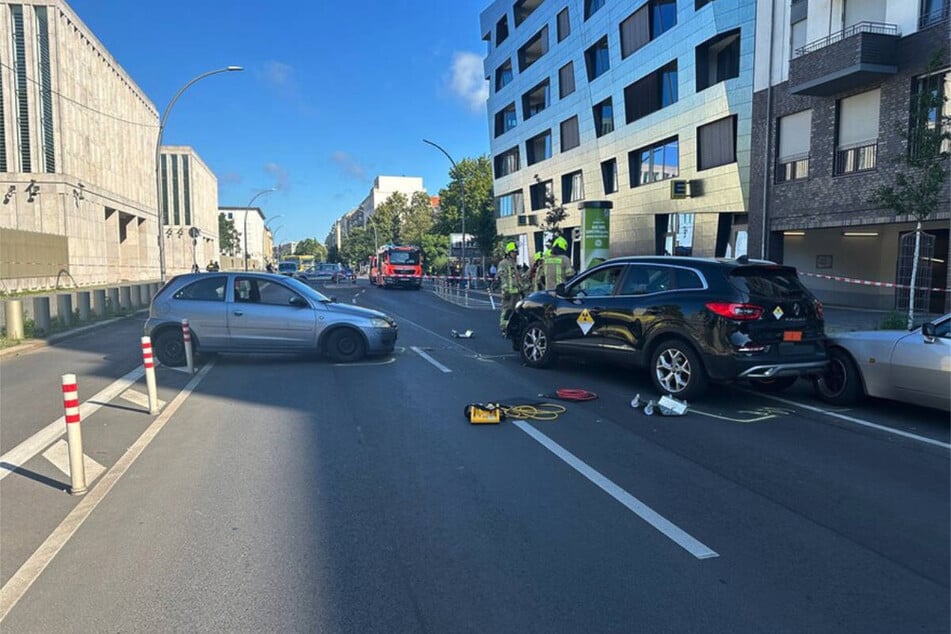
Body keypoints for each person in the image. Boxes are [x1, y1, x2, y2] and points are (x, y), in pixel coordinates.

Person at [497, 242, 526, 335]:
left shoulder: (514, 264)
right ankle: (504, 327)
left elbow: (518, 278)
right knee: (507, 310)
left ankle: (511, 327)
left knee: (514, 310)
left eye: (516, 252)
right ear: (508, 252)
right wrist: (505, 289)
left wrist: (521, 289)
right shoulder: (503, 263)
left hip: (516, 292)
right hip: (508, 292)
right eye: (513, 252)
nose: (515, 254)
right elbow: (501, 276)